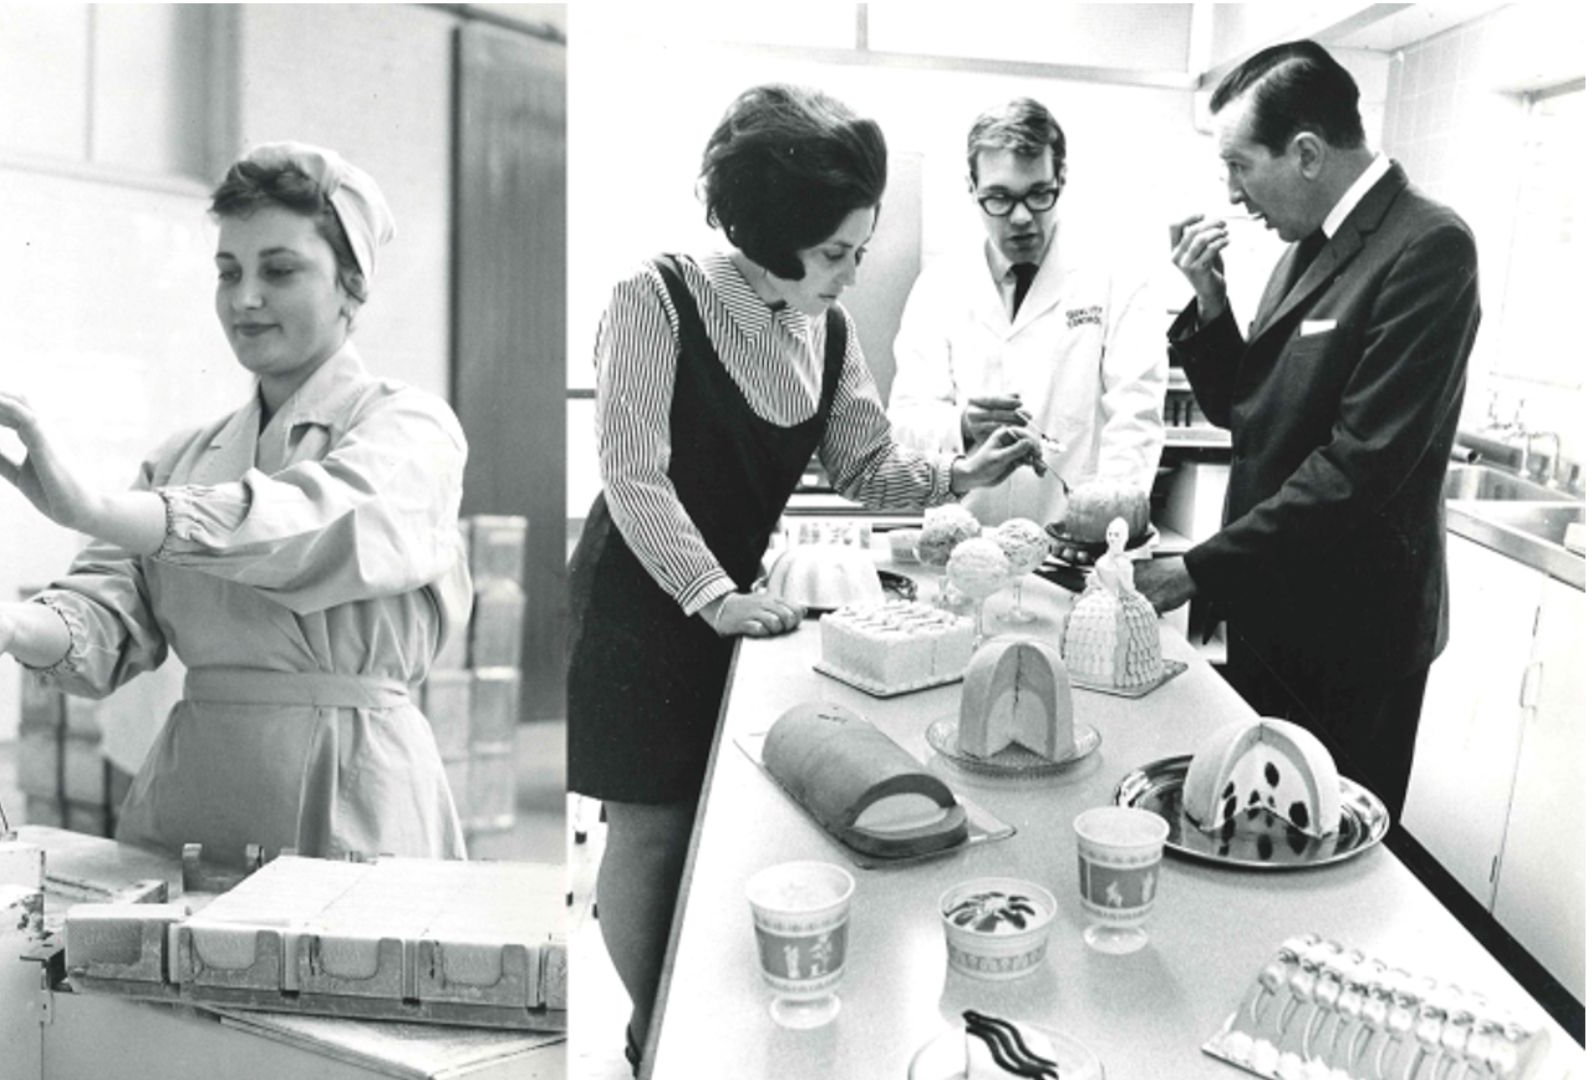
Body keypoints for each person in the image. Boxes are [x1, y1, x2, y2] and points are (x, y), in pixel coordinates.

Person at [566, 84, 1038, 1073]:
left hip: (728, 602)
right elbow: (632, 475)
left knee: (714, 819)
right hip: (640, 603)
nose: (851, 272)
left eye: (858, 250)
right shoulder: (653, 298)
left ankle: (698, 1018)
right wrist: (714, 594)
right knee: (652, 830)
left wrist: (959, 471)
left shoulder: (824, 329)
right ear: (770, 233)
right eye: (836, 254)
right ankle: (653, 1034)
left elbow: (868, 464)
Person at [0, 142, 473, 864]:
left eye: (279, 271)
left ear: (352, 285)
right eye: (229, 273)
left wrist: (95, 509)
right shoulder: (182, 459)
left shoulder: (411, 428)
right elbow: (106, 618)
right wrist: (11, 625)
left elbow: (312, 527)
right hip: (194, 798)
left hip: (353, 791)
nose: (245, 298)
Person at [1137, 41, 1479, 814]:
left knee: (1327, 847)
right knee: (1258, 830)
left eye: (1238, 165)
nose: (1231, 194)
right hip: (1276, 612)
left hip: (1350, 637)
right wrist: (1212, 300)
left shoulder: (1428, 246)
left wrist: (1199, 568)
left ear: (1306, 152)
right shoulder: (1309, 245)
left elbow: (1359, 466)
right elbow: (1248, 410)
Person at [889, 98, 1167, 526]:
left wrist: (1106, 528)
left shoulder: (1116, 276)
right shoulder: (939, 287)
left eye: (1038, 194)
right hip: (968, 542)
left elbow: (1134, 418)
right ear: (972, 187)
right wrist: (962, 424)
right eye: (998, 198)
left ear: (1062, 177)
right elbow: (906, 424)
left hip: (1077, 548)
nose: (1020, 218)